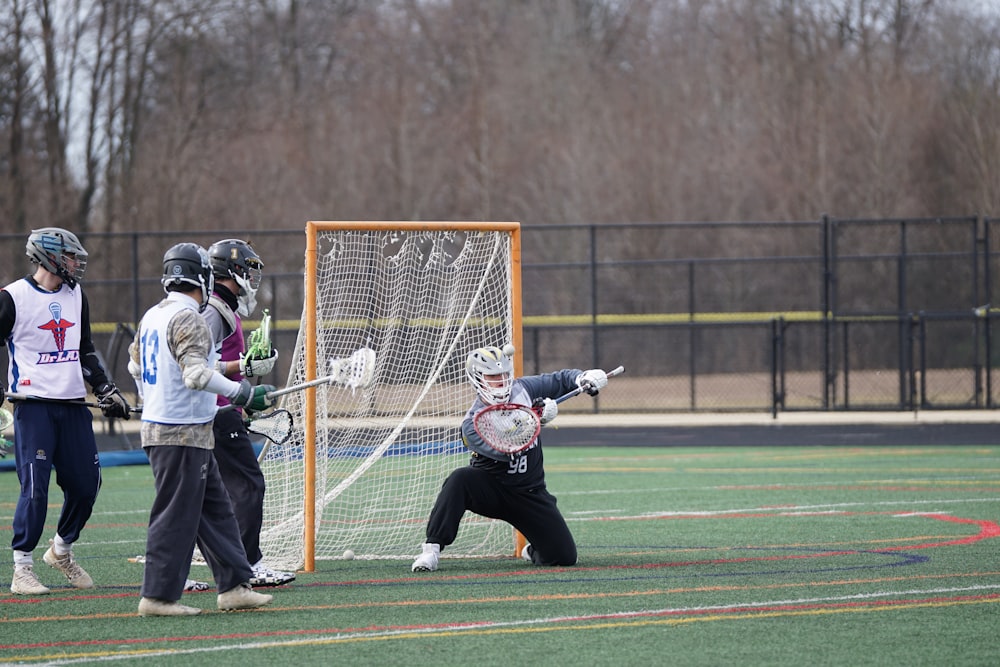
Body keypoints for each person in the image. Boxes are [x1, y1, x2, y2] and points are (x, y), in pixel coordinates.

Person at [128, 242, 278, 616]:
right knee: (176, 514)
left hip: (177, 426)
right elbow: (196, 374)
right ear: (203, 277)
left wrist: (241, 369)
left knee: (217, 510)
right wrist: (244, 393)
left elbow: (137, 367)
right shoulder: (190, 318)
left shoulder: (153, 315)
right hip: (180, 430)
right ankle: (158, 597)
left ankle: (233, 586)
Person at [1, 227, 132, 595]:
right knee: (35, 488)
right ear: (49, 257)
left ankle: (60, 550)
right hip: (34, 408)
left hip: (73, 406)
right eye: (71, 257)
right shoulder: (13, 297)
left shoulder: (76, 295)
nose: (76, 264)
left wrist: (106, 388)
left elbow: (85, 349)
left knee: (86, 485)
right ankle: (22, 567)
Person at [411, 345, 608, 572]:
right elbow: (507, 450)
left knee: (564, 556)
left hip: (530, 492)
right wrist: (534, 420)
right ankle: (432, 550)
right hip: (491, 490)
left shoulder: (523, 389)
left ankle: (533, 550)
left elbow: (559, 380)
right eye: (493, 377)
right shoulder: (471, 424)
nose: (501, 381)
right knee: (459, 479)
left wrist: (583, 378)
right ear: (477, 379)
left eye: (504, 374)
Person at [202, 238, 293, 586]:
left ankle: (175, 566)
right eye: (248, 269)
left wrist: (244, 375)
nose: (252, 278)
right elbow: (199, 364)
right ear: (232, 270)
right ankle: (249, 565)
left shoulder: (223, 308)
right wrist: (240, 377)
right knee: (248, 486)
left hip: (223, 408)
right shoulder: (213, 310)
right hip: (216, 411)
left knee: (201, 493)